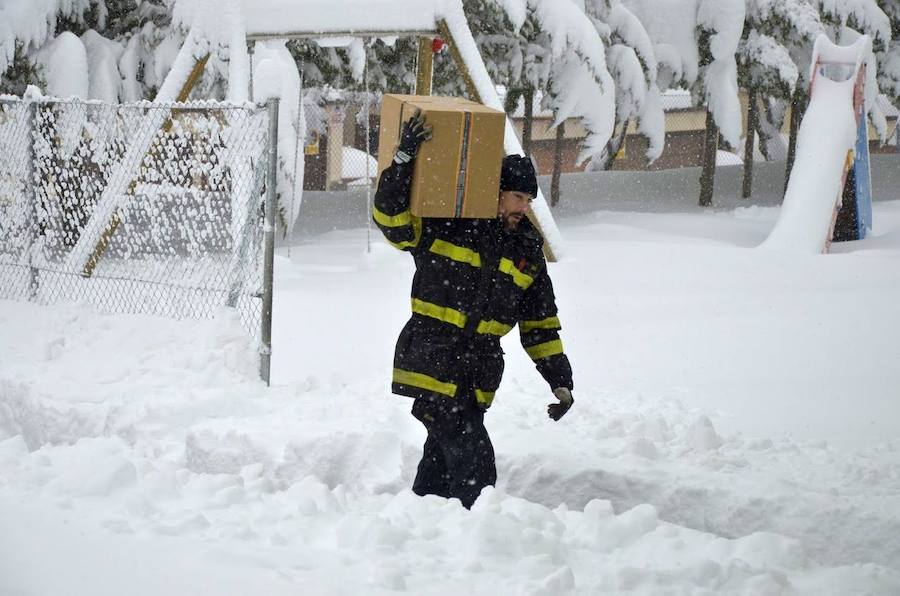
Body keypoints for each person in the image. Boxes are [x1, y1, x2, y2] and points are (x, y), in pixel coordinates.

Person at [373, 109, 575, 509]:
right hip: (433, 358)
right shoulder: (450, 223)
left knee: (442, 461)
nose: (523, 206)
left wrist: (560, 380)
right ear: (496, 192)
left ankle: (423, 516)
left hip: (477, 371)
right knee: (474, 463)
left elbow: (540, 324)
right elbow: (391, 220)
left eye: (530, 200)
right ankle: (481, 525)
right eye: (518, 196)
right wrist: (401, 163)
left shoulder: (526, 251)